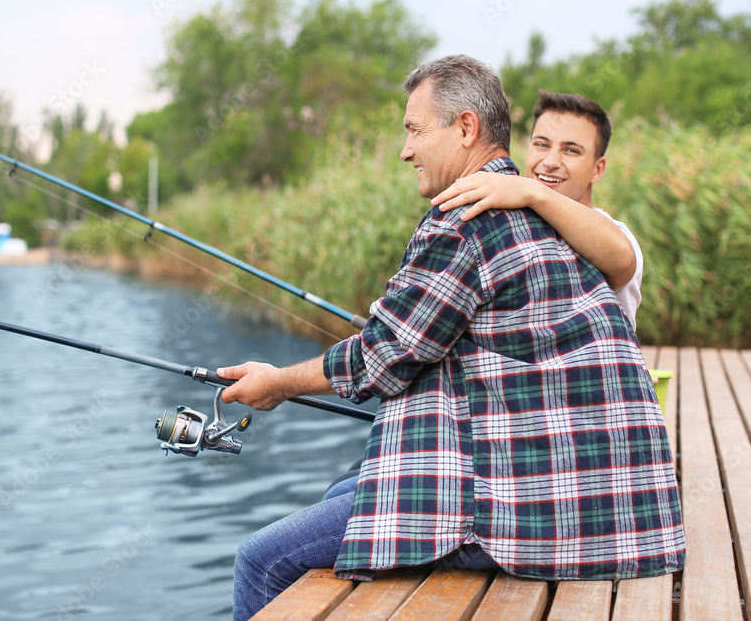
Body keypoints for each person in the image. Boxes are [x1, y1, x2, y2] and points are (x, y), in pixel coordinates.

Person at [219, 55, 684, 621]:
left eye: (415, 130)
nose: (405, 150)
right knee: (347, 489)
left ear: (465, 129)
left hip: (536, 515)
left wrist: (277, 384)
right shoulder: (556, 216)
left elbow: (380, 358)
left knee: (260, 559)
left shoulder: (466, 216)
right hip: (614, 506)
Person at [431, 91, 644, 328]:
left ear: (598, 169)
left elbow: (622, 259)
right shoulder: (514, 221)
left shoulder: (613, 232)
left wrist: (533, 191)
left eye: (571, 150)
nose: (551, 161)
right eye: (541, 145)